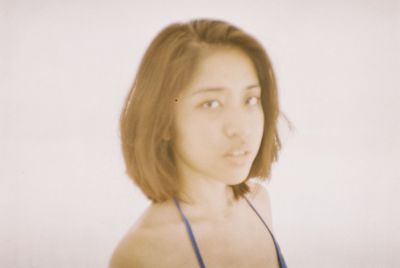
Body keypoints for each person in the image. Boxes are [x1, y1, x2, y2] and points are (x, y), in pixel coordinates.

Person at [110, 18, 288, 268]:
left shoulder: (258, 201)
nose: (241, 128)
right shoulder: (144, 253)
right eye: (211, 104)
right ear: (164, 121)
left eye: (251, 99)